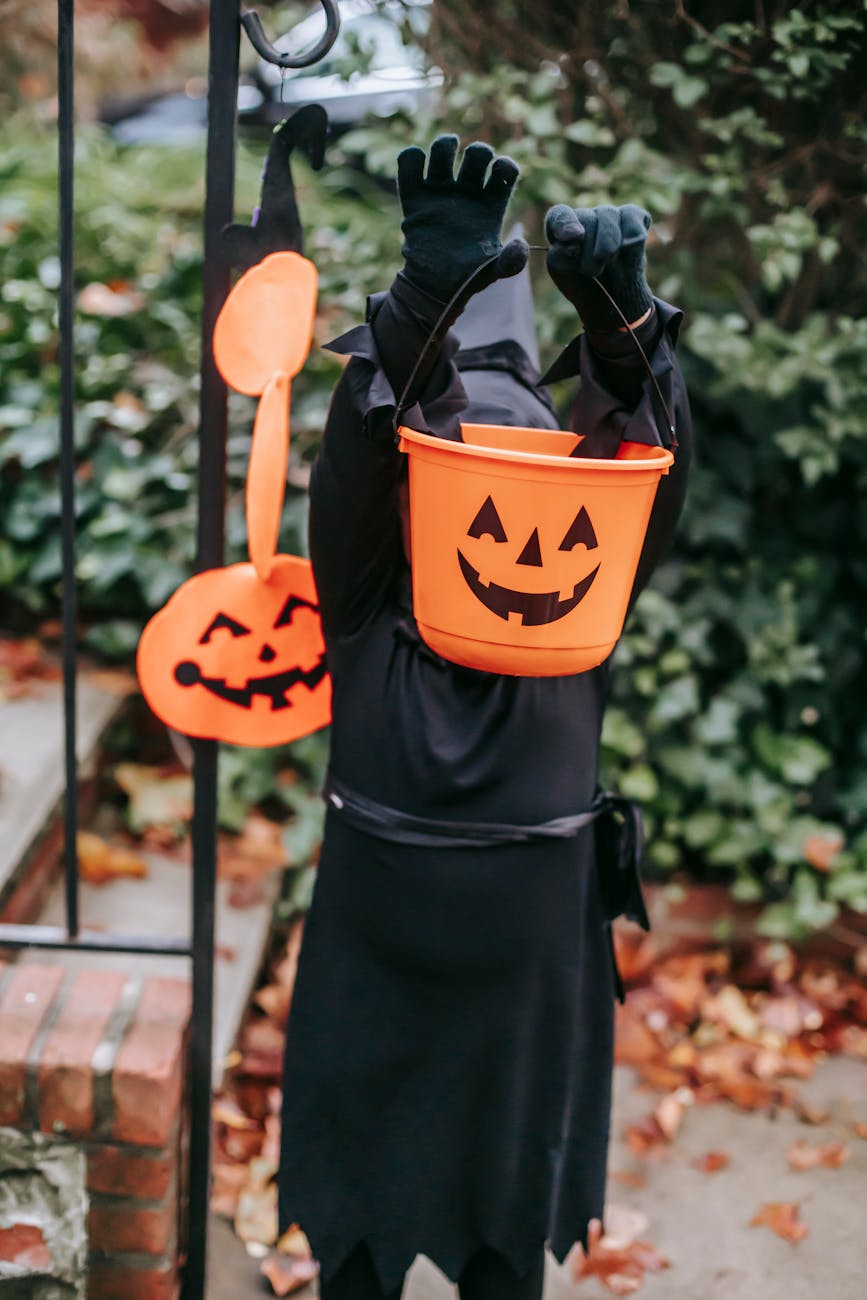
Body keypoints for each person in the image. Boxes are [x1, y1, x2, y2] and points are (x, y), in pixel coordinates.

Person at [277, 134, 692, 1300]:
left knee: (505, 1250)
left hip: (528, 987)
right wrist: (417, 309)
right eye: (466, 465)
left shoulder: (578, 611)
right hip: (378, 973)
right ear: (425, 477)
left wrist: (625, 341)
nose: (510, 519)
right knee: (355, 1249)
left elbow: (647, 468)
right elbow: (360, 461)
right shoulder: (364, 597)